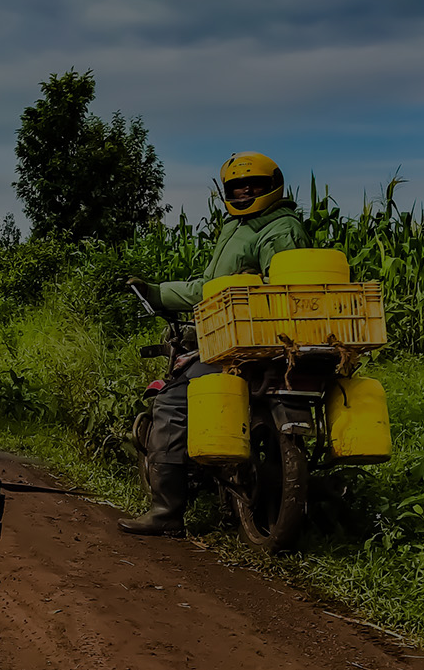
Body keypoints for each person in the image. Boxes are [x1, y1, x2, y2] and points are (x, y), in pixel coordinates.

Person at [118, 151, 309, 536]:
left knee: (172, 403)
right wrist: (158, 292)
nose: (245, 192)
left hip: (253, 340)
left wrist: (160, 295)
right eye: (237, 187)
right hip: (246, 334)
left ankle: (166, 511)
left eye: (254, 185)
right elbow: (210, 287)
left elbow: (283, 289)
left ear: (273, 187)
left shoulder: (277, 230)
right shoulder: (240, 227)